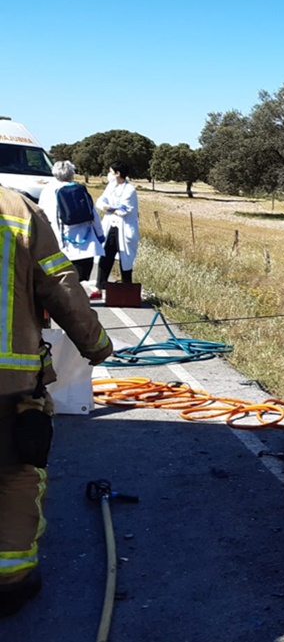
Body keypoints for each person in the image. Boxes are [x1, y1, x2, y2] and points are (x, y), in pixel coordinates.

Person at [0, 186, 113, 617]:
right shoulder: (16, 210)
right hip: (9, 385)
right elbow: (60, 284)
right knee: (15, 474)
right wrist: (96, 345)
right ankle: (9, 582)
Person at [36, 161, 105, 289]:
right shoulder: (80, 189)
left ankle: (64, 306)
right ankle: (79, 306)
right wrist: (100, 235)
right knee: (79, 282)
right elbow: (93, 214)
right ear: (72, 173)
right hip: (86, 245)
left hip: (60, 244)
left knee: (61, 283)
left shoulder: (48, 190)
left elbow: (41, 215)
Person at [95, 161, 139, 292]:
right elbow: (100, 202)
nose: (109, 174)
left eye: (111, 172)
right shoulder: (111, 186)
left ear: (118, 173)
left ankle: (127, 288)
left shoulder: (130, 190)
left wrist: (108, 207)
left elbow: (124, 210)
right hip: (110, 226)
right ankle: (100, 285)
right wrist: (110, 208)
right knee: (106, 254)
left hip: (123, 228)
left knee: (125, 258)